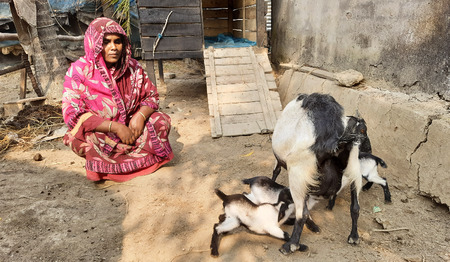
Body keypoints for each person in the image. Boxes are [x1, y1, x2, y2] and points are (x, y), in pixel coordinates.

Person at [62, 17, 173, 182]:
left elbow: (152, 96)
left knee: (160, 121)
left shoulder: (133, 68)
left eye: (117, 41)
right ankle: (106, 166)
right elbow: (73, 115)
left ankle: (137, 158)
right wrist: (115, 127)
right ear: (94, 43)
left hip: (132, 132)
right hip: (102, 135)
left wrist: (140, 116)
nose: (113, 47)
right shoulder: (79, 71)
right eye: (106, 42)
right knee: (79, 139)